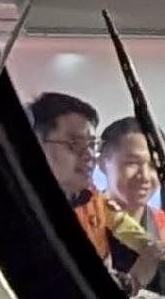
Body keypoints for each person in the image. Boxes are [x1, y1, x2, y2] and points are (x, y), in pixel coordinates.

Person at [27, 89, 118, 267]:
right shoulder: (24, 207)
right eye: (75, 143)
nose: (89, 155)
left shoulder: (94, 201)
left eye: (92, 145)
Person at [95, 119, 165, 297]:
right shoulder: (87, 220)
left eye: (153, 165)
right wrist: (136, 276)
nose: (144, 176)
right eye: (132, 163)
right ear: (103, 163)